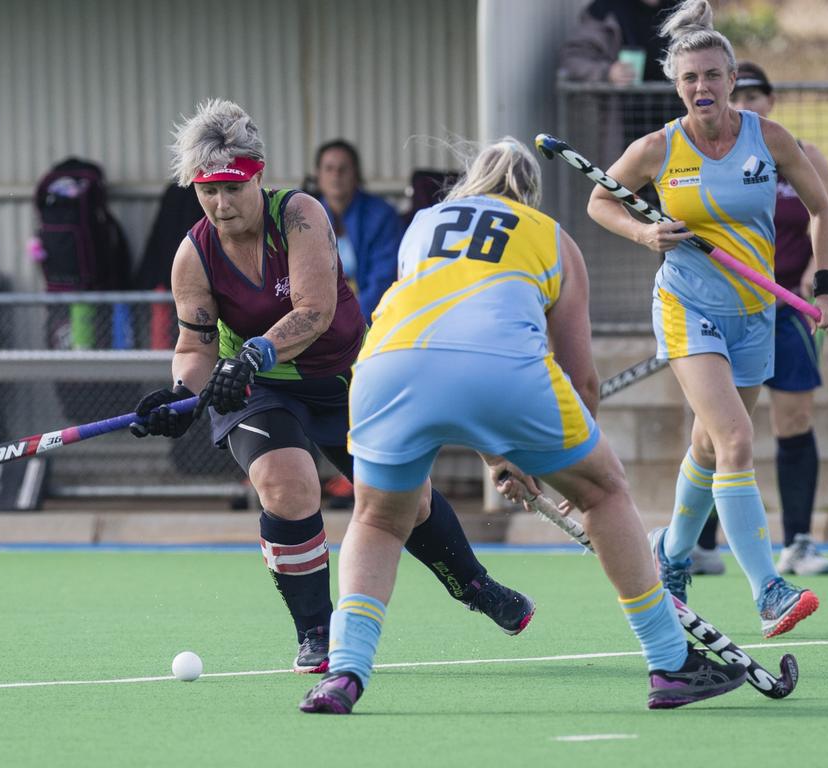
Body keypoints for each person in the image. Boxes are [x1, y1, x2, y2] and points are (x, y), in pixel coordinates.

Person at [299, 137, 749, 715]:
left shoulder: (423, 225)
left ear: (469, 183)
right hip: (504, 372)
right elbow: (577, 379)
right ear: (529, 194)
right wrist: (552, 465)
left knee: (379, 519)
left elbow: (443, 335)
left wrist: (503, 454)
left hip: (386, 364)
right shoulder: (550, 236)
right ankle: (670, 662)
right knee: (604, 491)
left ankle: (344, 675)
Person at [129, 99, 535, 675]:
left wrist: (253, 351)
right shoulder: (193, 255)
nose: (220, 204)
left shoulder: (300, 215)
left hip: (343, 378)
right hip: (257, 390)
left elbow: (314, 311)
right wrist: (178, 395)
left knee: (408, 501)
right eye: (206, 190)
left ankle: (474, 585)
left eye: (232, 188)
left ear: (258, 173)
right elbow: (194, 347)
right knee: (286, 485)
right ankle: (317, 633)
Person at [585, 1, 828, 640]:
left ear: (731, 80)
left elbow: (820, 211)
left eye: (711, 75)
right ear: (675, 86)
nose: (700, 87)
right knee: (733, 440)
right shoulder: (657, 149)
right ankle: (768, 590)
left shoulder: (771, 139)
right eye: (688, 79)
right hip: (687, 306)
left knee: (708, 447)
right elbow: (599, 202)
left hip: (755, 313)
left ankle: (671, 558)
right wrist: (645, 233)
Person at [694, 62, 828, 577]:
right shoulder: (713, 155)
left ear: (771, 102)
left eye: (764, 95)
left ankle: (799, 542)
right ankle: (702, 544)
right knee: (718, 426)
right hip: (723, 309)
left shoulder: (796, 152)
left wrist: (813, 278)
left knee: (794, 420)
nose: (755, 103)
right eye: (749, 94)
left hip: (789, 311)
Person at [559, 0, 685, 161]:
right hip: (625, 128)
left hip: (679, 124)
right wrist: (608, 72)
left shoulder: (685, 8)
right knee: (627, 183)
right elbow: (572, 58)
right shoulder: (604, 10)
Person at [312, 139, 403, 321]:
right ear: (318, 176)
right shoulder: (305, 216)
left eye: (343, 169)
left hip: (368, 320)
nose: (336, 175)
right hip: (320, 322)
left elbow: (382, 281)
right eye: (329, 168)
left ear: (356, 174)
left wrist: (348, 323)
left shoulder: (382, 216)